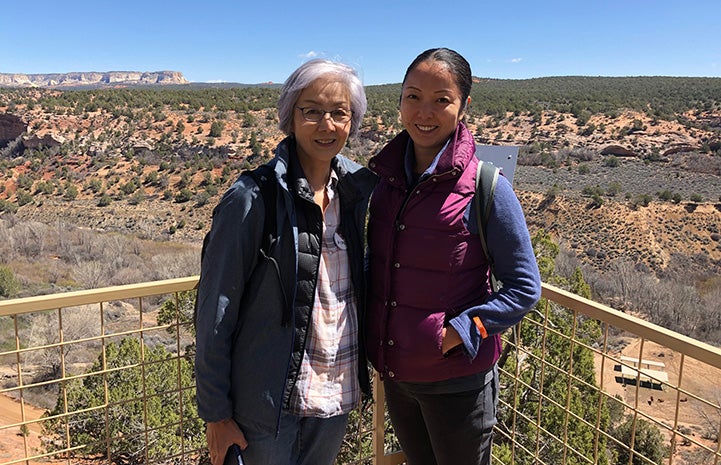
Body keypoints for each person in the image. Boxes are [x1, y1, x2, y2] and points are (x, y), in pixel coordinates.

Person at [194, 59, 376, 465]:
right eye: (311, 111)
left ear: (353, 122)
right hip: (267, 407)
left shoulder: (358, 192)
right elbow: (215, 311)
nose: (326, 125)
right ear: (290, 117)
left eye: (339, 113)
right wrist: (216, 413)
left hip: (336, 392)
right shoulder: (253, 197)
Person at [366, 48, 542, 465]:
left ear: (464, 105)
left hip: (456, 382)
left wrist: (461, 330)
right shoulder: (384, 182)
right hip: (397, 376)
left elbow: (524, 287)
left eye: (442, 99)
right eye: (413, 96)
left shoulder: (487, 188)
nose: (424, 112)